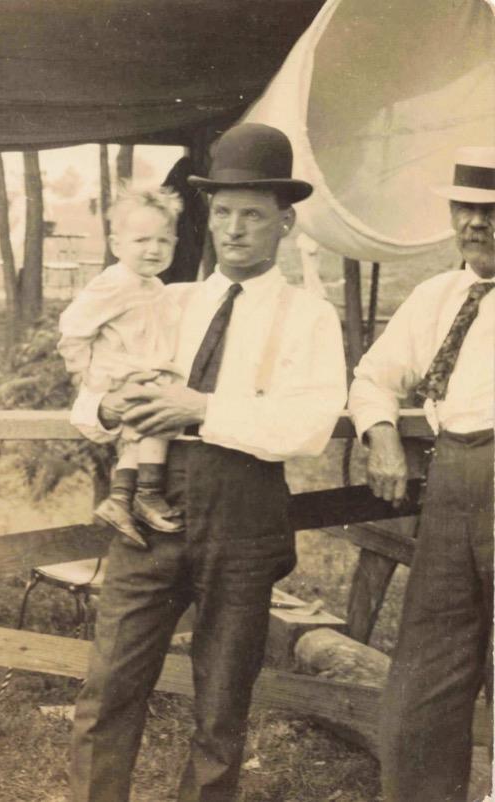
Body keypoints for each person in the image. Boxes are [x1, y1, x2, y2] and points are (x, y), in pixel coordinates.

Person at [67, 123, 347, 801]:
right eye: (222, 213)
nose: (235, 229)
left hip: (243, 516)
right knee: (107, 690)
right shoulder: (170, 301)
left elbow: (307, 426)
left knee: (221, 708)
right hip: (149, 517)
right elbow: (92, 395)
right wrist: (106, 409)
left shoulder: (309, 317)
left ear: (284, 222)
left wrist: (199, 409)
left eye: (253, 215)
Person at [349, 146, 495, 802]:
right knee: (423, 684)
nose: (476, 224)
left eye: (492, 211)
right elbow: (375, 376)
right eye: (466, 207)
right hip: (451, 488)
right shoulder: (438, 296)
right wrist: (382, 436)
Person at [58, 185, 185, 548]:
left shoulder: (154, 285)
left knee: (138, 436)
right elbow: (73, 326)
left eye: (164, 241)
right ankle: (146, 493)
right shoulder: (113, 283)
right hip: (118, 374)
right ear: (117, 245)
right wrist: (85, 374)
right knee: (159, 416)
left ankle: (119, 500)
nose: (153, 249)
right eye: (142, 240)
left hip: (140, 371)